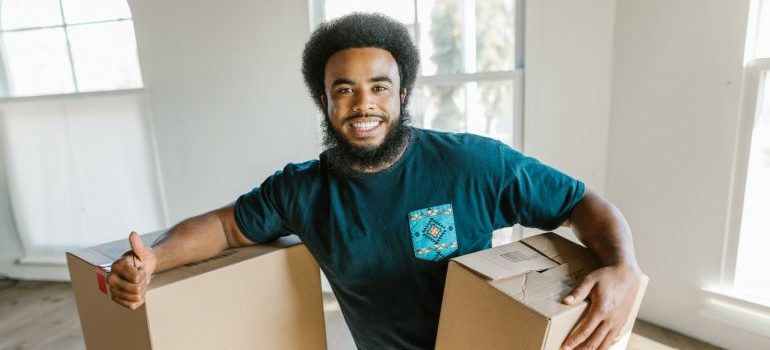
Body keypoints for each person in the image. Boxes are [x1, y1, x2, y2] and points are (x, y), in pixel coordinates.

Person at [108, 13, 644, 350]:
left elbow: (579, 202)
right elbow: (225, 227)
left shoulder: (474, 164)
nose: (363, 104)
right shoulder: (301, 191)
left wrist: (623, 266)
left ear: (402, 93)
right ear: (324, 100)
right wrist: (157, 258)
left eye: (379, 87)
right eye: (343, 89)